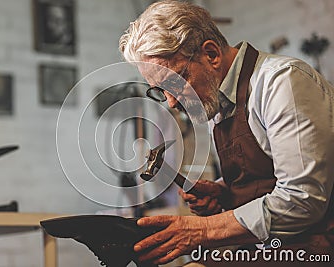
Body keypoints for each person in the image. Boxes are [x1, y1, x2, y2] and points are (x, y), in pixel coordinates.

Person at [119, 0, 334, 265]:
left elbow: (303, 200)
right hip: (267, 246)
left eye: (175, 83)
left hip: (315, 245)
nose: (172, 102)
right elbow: (266, 178)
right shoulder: (217, 101)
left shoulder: (282, 83)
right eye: (160, 91)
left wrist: (203, 230)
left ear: (211, 55)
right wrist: (225, 192)